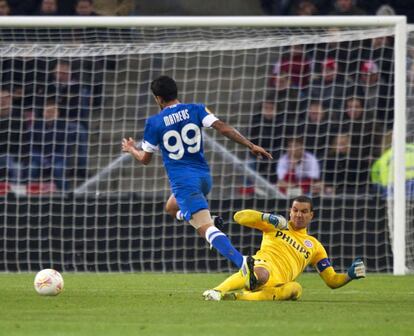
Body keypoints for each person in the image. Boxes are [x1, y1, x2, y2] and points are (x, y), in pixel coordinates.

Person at [122, 75, 273, 288]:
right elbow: (223, 127)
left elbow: (145, 160)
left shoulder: (154, 123)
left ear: (157, 98)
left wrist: (131, 150)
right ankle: (210, 221)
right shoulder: (197, 109)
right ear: (176, 92)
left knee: (205, 229)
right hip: (204, 178)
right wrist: (250, 145)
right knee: (171, 207)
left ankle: (242, 263)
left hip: (184, 183)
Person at [203, 195, 366, 301]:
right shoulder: (277, 225)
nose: (299, 215)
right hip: (263, 266)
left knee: (296, 289)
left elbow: (331, 280)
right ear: (290, 212)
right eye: (295, 210)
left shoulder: (315, 246)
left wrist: (349, 276)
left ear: (311, 215)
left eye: (304, 211)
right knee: (261, 273)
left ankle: (239, 298)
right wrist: (266, 216)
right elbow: (238, 217)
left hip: (279, 283)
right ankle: (216, 291)